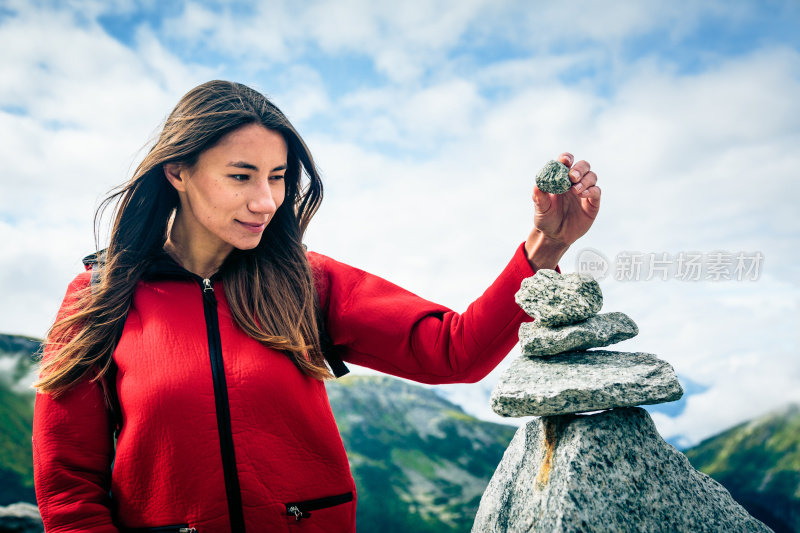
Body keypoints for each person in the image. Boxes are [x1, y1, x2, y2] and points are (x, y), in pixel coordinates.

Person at [31, 80, 601, 533]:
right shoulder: (99, 296)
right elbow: (68, 489)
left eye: (278, 178)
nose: (266, 201)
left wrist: (545, 247)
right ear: (177, 171)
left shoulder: (306, 280)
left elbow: (452, 352)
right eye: (241, 176)